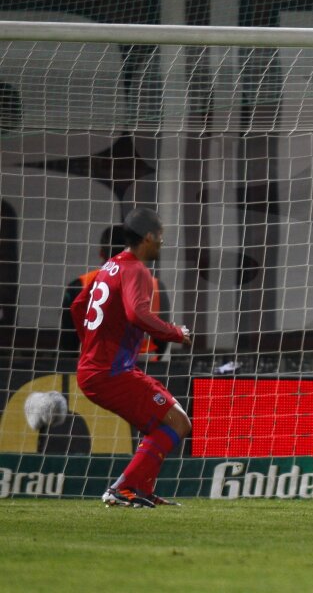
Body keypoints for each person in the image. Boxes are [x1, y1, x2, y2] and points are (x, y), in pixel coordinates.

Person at [69, 207, 192, 508]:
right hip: (110, 372)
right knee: (178, 423)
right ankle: (122, 489)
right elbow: (136, 313)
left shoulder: (111, 266)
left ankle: (140, 489)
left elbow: (77, 306)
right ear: (149, 237)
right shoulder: (136, 269)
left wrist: (92, 345)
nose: (162, 242)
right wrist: (175, 333)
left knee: (168, 422)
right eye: (160, 236)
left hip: (100, 368)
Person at [63, 224, 171, 361]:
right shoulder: (156, 287)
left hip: (97, 369)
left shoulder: (80, 286)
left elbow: (67, 342)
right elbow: (162, 340)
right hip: (144, 369)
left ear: (102, 253)